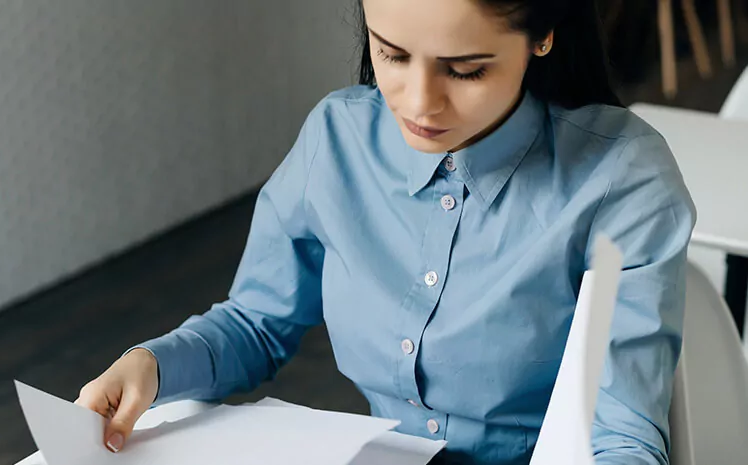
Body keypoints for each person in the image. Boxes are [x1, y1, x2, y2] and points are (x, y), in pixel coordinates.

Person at [74, 0, 696, 463]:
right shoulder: (337, 140)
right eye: (391, 54)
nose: (419, 103)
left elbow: (620, 431)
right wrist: (151, 365)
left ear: (542, 37)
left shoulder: (620, 179)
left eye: (466, 70)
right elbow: (256, 323)